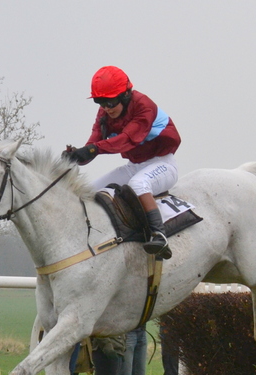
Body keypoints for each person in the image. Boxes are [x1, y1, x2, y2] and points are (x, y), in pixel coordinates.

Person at [65, 66, 181, 259]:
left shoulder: (144, 106)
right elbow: (93, 146)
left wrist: (93, 149)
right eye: (100, 102)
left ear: (126, 95)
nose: (106, 108)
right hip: (134, 166)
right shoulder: (104, 114)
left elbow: (126, 140)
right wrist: (76, 156)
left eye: (110, 102)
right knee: (87, 191)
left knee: (138, 184)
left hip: (163, 164)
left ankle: (159, 235)